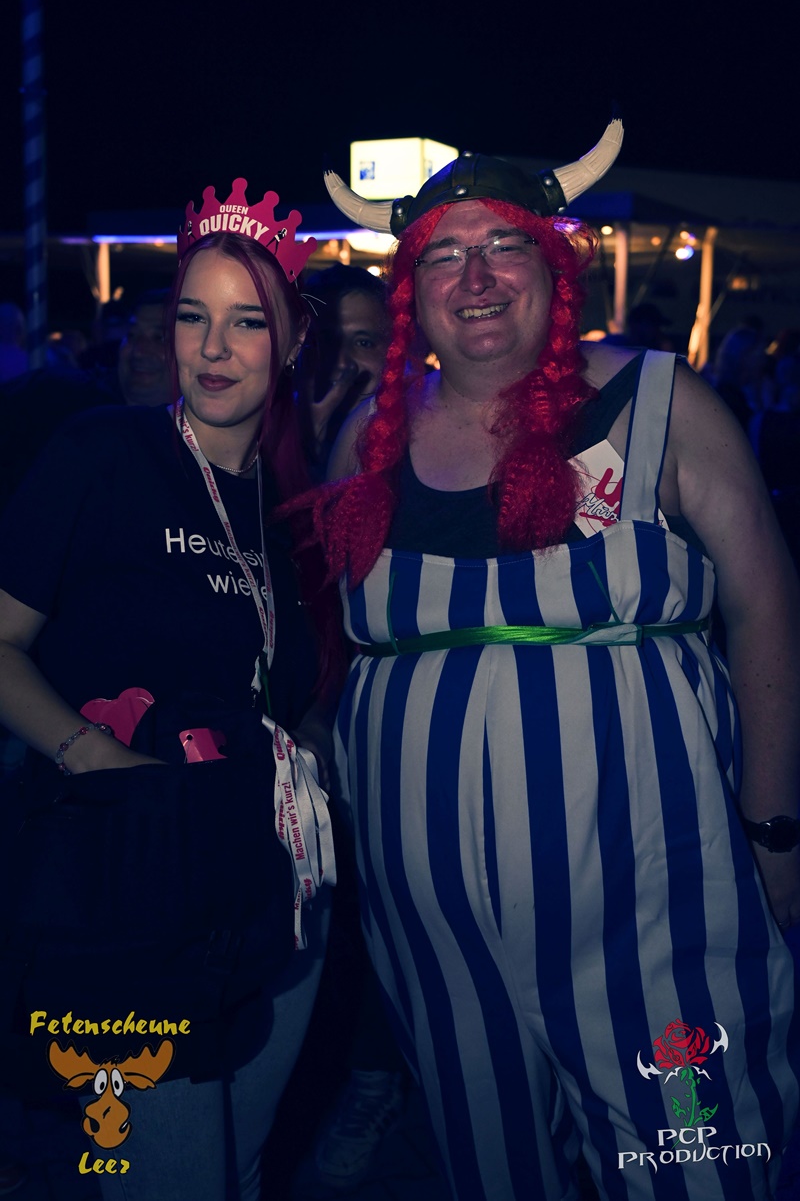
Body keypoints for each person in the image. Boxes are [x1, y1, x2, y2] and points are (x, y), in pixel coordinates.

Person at [299, 119, 800, 1200]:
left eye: (502, 246)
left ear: (553, 268)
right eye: (443, 254)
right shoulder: (367, 438)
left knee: (694, 1162)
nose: (475, 276)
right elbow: (338, 649)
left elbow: (765, 606)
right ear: (414, 291)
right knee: (494, 1167)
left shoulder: (662, 403)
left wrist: (775, 828)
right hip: (432, 928)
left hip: (655, 907)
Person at [0, 179, 335, 1200]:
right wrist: (90, 752)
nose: (213, 348)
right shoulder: (102, 452)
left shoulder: (295, 509)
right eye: (194, 317)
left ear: (291, 342)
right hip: (130, 885)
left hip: (276, 888)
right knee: (169, 1176)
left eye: (248, 322)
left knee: (241, 1166)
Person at [298, 264, 390, 473]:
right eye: (326, 342)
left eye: (363, 343)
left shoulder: (416, 445)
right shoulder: (261, 437)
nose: (342, 363)